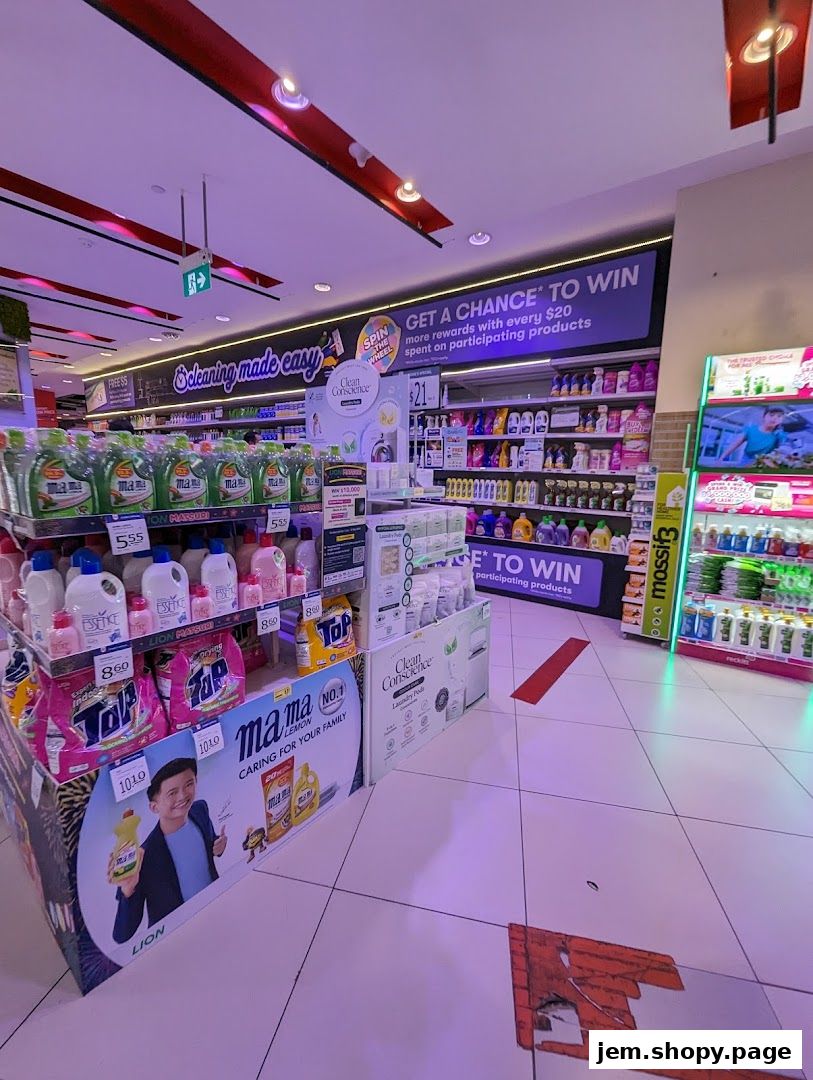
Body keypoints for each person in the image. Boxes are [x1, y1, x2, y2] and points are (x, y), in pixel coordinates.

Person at [109, 757, 227, 943]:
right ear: (154, 807)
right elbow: (122, 936)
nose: (183, 796)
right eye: (172, 793)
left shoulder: (200, 810)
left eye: (189, 784)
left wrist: (218, 847)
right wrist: (128, 890)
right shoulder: (143, 856)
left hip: (216, 908)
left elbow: (210, 844)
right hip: (178, 936)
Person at [720, 406, 786, 464]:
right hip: (746, 460)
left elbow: (780, 452)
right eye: (771, 415)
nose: (775, 418)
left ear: (781, 420)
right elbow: (735, 444)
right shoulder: (751, 430)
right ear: (764, 417)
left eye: (779, 416)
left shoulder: (779, 435)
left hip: (765, 463)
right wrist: (722, 458)